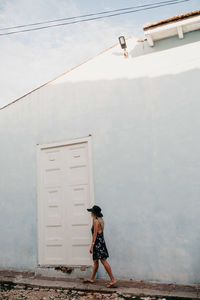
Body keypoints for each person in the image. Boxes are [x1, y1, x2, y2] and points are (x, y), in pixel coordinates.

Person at [83, 205, 117, 288]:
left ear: (94, 213)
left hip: (97, 243)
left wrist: (92, 246)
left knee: (103, 261)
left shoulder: (96, 221)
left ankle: (113, 280)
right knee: (96, 262)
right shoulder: (100, 220)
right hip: (101, 242)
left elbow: (95, 235)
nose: (90, 213)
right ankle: (91, 278)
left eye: (91, 212)